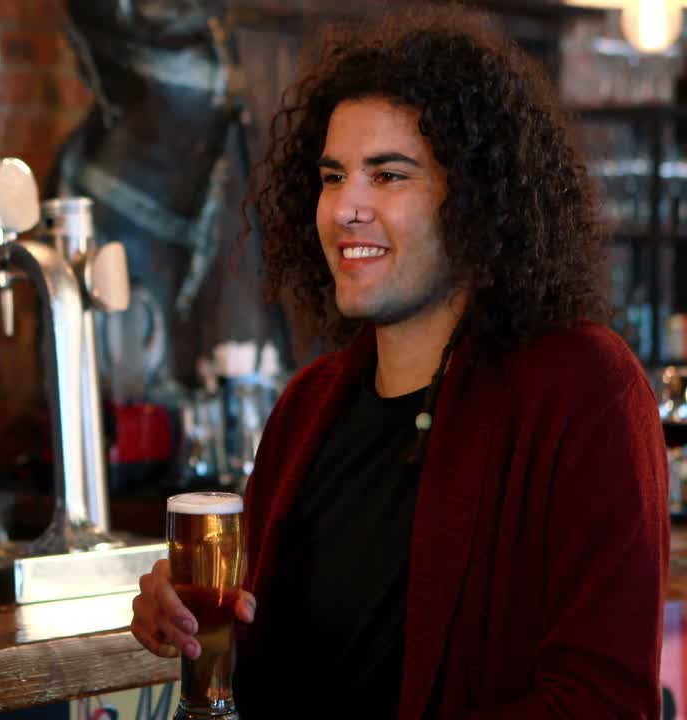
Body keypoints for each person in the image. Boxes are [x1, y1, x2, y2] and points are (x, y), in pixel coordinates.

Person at [131, 7, 668, 718]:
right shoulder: (309, 405)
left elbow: (604, 702)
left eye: (387, 176)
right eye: (332, 176)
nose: (346, 207)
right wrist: (182, 615)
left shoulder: (584, 387)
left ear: (475, 199)